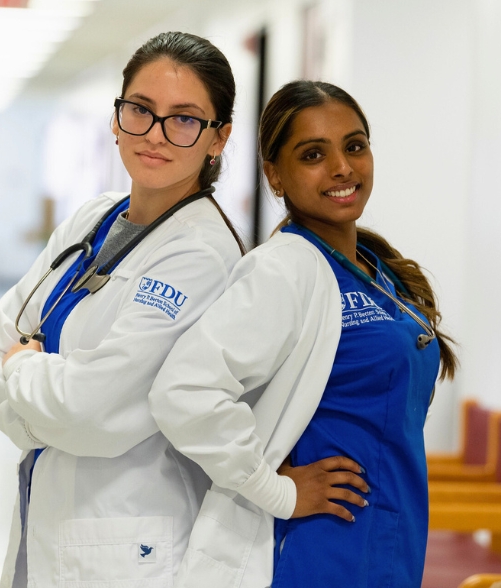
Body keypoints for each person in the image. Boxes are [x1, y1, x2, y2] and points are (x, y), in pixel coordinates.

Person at [149, 80, 458, 587]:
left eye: (355, 146)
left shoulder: (376, 270)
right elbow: (183, 391)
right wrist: (278, 492)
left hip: (388, 542)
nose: (342, 167)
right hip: (320, 553)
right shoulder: (284, 270)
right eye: (314, 154)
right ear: (275, 174)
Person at [0, 31, 245, 588]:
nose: (156, 134)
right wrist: (40, 409)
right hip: (49, 512)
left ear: (218, 137)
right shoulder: (95, 218)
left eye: (185, 119)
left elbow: (89, 411)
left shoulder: (200, 254)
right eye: (140, 110)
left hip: (127, 542)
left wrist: (23, 368)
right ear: (116, 118)